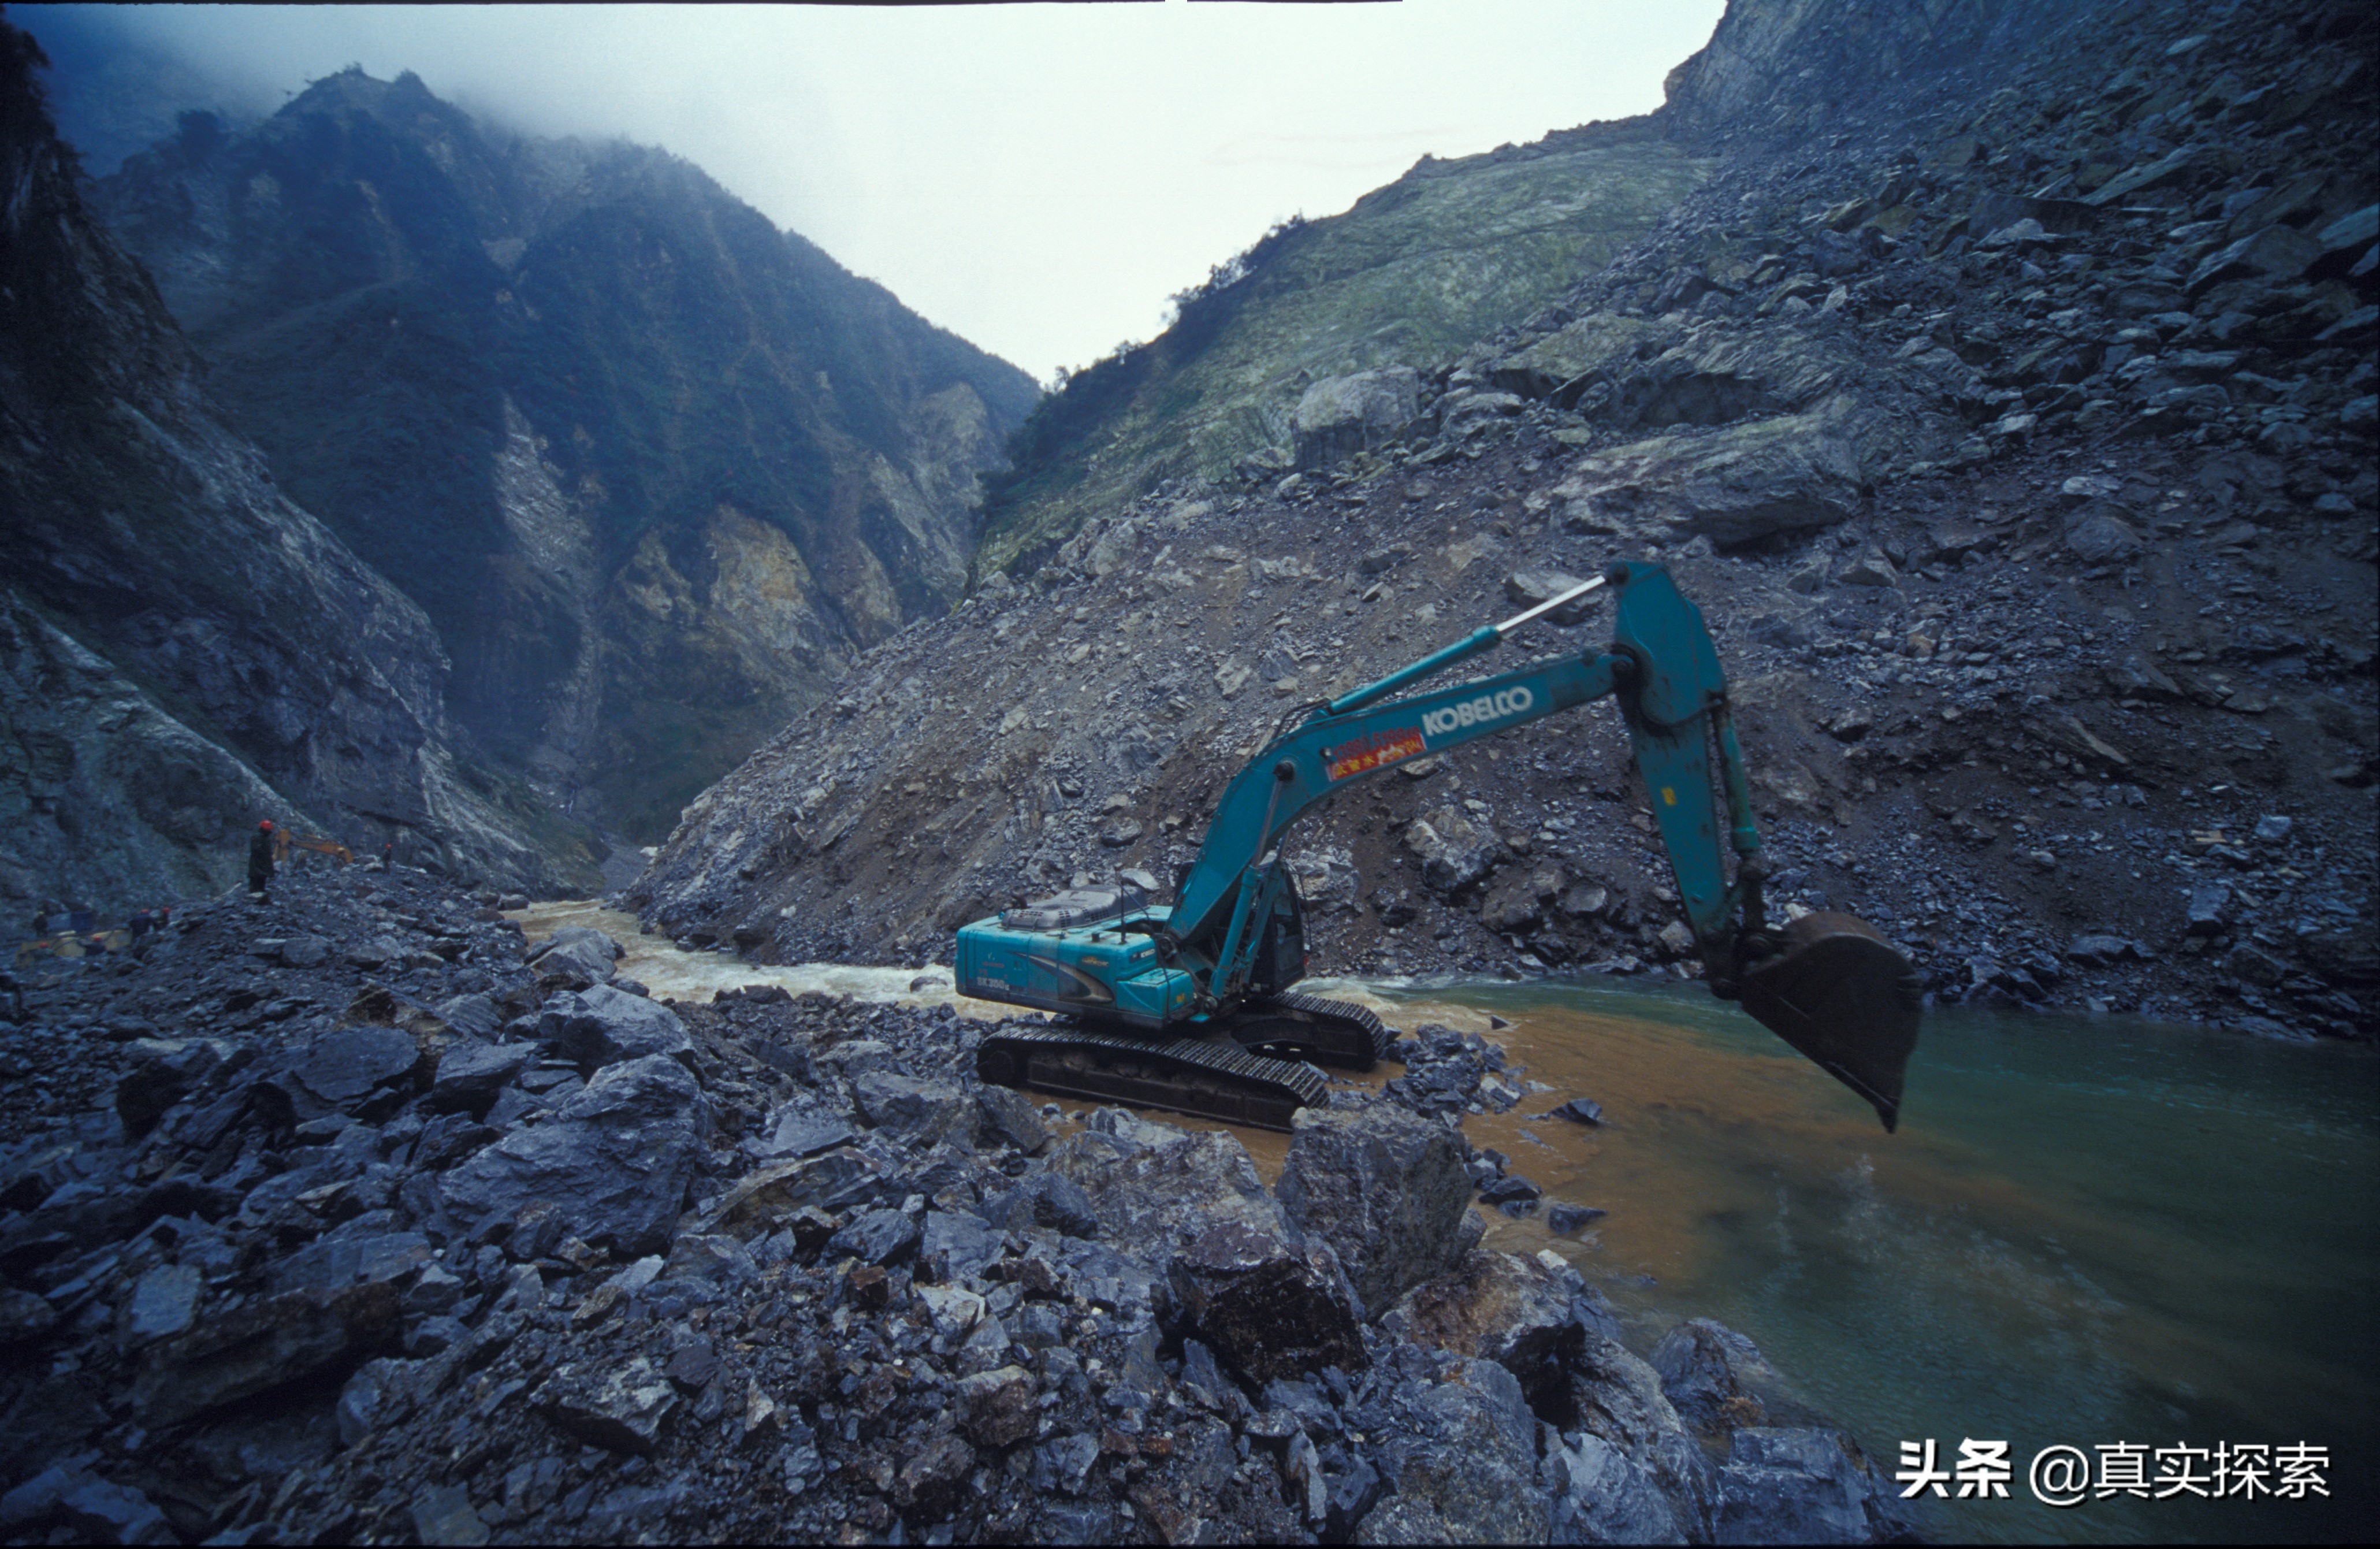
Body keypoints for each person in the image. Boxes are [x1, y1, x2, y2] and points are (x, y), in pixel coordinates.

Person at [248, 819, 276, 902]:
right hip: (258, 864)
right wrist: (266, 857)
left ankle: (260, 898)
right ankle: (255, 899)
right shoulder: (257, 837)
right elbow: (256, 849)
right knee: (256, 880)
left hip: (262, 865)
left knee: (262, 880)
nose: (269, 832)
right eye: (268, 830)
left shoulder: (264, 837)